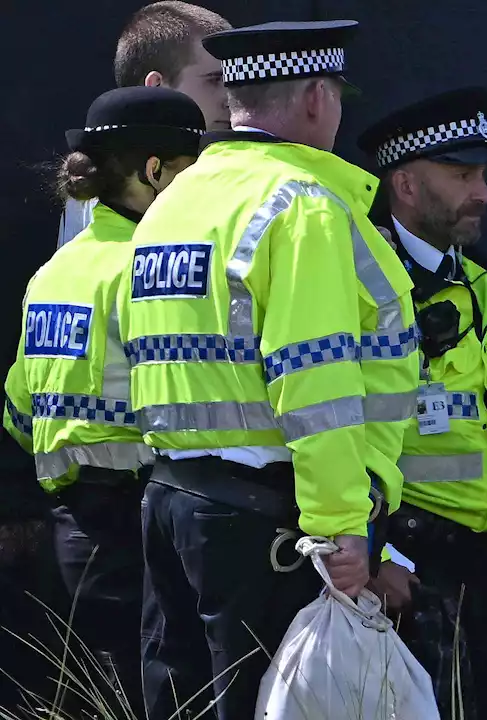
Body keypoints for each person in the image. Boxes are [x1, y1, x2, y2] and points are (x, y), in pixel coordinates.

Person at [118, 21, 420, 720]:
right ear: (317, 98)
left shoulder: (174, 204)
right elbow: (316, 382)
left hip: (170, 500)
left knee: (180, 701)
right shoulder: (301, 206)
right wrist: (343, 524)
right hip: (263, 522)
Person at [354, 87, 487, 720]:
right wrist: (375, 554)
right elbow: (328, 422)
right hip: (409, 569)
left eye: (484, 175)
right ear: (407, 185)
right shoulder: (359, 285)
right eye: (463, 175)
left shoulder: (482, 284)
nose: (485, 193)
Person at [3, 86, 204, 717]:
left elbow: (17, 410)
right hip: (146, 534)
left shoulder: (55, 271)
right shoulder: (152, 270)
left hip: (71, 535)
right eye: (190, 172)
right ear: (153, 172)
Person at [57, 2, 231, 250]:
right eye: (215, 80)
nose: (231, 96)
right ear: (156, 85)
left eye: (233, 79)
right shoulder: (89, 191)